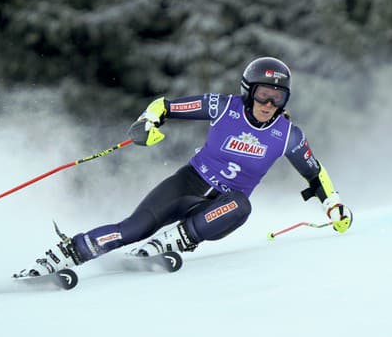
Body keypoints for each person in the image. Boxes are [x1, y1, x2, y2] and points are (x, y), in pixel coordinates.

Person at [17, 57, 353, 277]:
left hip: (221, 207)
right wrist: (148, 122)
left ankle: (172, 242)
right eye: (263, 95)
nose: (268, 104)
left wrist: (333, 203)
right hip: (188, 183)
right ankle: (62, 256)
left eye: (277, 98)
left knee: (241, 204)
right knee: (133, 228)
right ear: (248, 92)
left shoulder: (287, 136)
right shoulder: (222, 107)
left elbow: (314, 171)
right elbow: (165, 106)